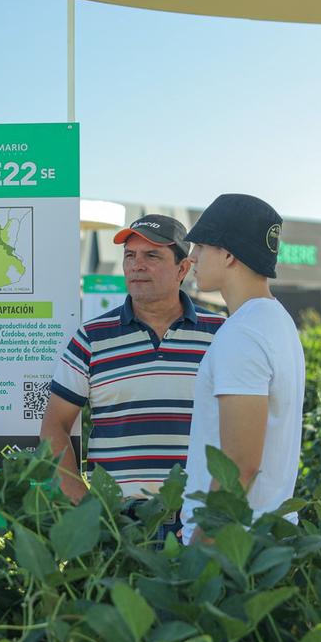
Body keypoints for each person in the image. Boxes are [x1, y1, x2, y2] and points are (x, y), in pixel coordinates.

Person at [40, 215, 226, 542]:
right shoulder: (92, 337)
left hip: (198, 520)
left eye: (151, 256)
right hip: (117, 524)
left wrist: (215, 514)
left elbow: (242, 428)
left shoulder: (221, 334)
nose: (137, 265)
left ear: (183, 269)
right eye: (130, 256)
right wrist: (83, 502)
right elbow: (54, 423)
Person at [181, 194, 306, 545]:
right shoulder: (277, 321)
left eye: (201, 246)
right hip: (265, 537)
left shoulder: (243, 334)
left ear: (229, 254)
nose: (191, 258)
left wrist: (198, 553)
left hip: (232, 546)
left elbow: (239, 466)